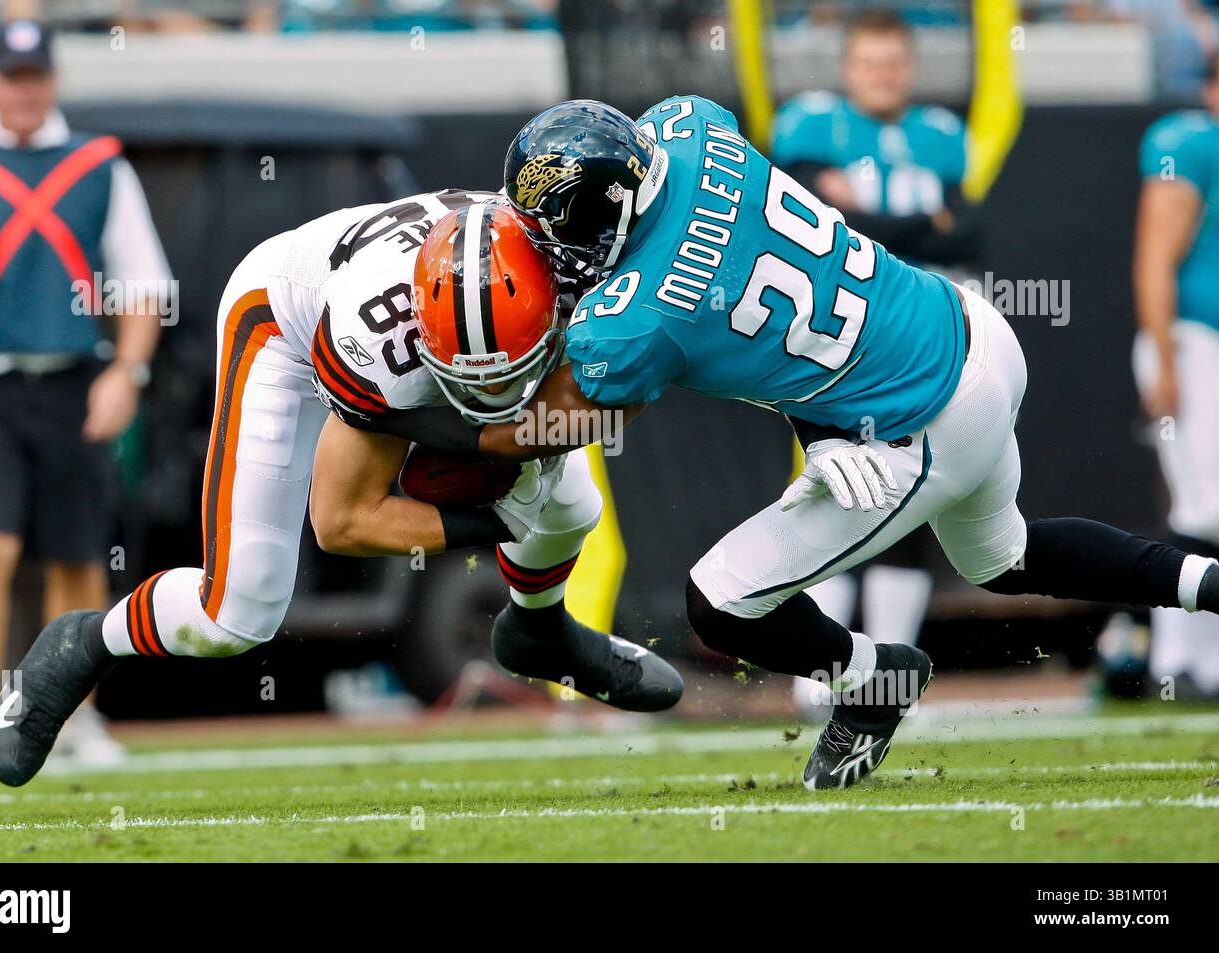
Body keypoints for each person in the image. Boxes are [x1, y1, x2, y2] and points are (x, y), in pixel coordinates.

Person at [475, 95, 1219, 789]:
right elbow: (757, 282)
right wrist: (825, 426)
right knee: (1004, 555)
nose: (553, 249)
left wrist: (456, 429)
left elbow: (567, 415)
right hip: (966, 328)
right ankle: (1208, 584)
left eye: (562, 229)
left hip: (922, 419)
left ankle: (874, 680)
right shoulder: (691, 126)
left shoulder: (633, 324)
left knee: (720, 602)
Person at [0, 191, 682, 787]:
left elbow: (618, 394)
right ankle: (85, 641)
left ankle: (539, 628)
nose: (488, 396)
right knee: (237, 610)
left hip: (451, 330)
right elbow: (342, 520)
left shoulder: (573, 274)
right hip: (286, 321)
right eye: (468, 382)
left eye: (506, 377)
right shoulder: (380, 347)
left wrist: (521, 449)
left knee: (572, 504)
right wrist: (493, 520)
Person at [0, 20, 168, 767]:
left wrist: (127, 373)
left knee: (77, 552)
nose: (23, 91)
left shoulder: (99, 165)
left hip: (71, 375)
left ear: (51, 81)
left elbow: (143, 285)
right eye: (10, 77)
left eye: (34, 77)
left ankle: (73, 717)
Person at [769, 8, 983, 700]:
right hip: (841, 341)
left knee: (912, 497)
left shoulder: (941, 134)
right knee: (837, 489)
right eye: (870, 63)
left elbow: (967, 236)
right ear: (847, 67)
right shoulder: (811, 123)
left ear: (911, 69)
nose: (882, 76)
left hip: (919, 341)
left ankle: (887, 678)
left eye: (893, 64)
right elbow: (815, 220)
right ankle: (818, 672)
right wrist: (915, 225)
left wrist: (870, 220)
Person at [1131, 56, 1219, 700]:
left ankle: (1206, 668)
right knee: (1202, 508)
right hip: (1193, 342)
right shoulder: (1187, 143)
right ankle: (1171, 661)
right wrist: (1164, 356)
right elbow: (1154, 258)